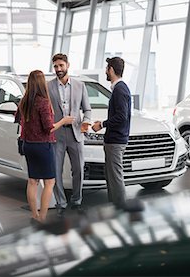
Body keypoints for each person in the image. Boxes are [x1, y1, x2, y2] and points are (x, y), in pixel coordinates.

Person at [18, 70, 74, 223]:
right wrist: (64, 121)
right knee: (50, 182)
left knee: (32, 181)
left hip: (28, 145)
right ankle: (42, 217)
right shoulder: (43, 101)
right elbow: (48, 127)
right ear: (42, 83)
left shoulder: (24, 101)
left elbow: (17, 119)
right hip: (43, 146)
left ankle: (34, 215)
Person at [48, 53, 91, 216]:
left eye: (61, 66)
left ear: (67, 65)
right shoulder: (48, 86)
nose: (58, 69)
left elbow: (87, 109)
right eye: (56, 66)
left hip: (76, 134)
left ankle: (77, 200)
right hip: (57, 134)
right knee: (56, 170)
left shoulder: (80, 86)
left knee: (78, 169)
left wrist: (86, 121)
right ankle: (61, 202)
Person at [92, 57, 131, 209]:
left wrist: (102, 124)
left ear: (112, 70)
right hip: (114, 140)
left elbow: (122, 116)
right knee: (112, 176)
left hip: (116, 141)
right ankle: (115, 208)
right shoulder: (119, 88)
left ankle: (121, 210)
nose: (105, 71)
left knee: (115, 177)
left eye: (107, 68)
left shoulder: (120, 89)